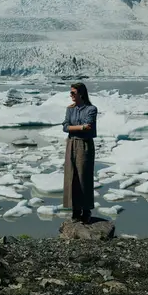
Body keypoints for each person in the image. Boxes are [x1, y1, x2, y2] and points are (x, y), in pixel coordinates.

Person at [62, 83, 98, 224]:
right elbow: (65, 127)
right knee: (72, 176)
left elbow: (88, 126)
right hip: (71, 143)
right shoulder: (70, 109)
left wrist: (76, 127)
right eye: (70, 93)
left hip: (84, 144)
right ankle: (75, 210)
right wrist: (80, 127)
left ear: (81, 94)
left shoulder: (91, 109)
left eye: (73, 93)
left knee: (84, 176)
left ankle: (86, 210)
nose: (71, 95)